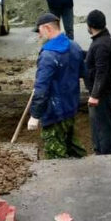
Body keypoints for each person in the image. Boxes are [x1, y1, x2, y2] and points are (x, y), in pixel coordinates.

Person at [28, 13, 87, 159]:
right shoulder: (74, 46)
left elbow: (42, 90)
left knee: (55, 158)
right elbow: (83, 73)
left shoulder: (48, 55)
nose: (39, 35)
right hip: (70, 107)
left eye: (40, 31)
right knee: (71, 145)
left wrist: (35, 116)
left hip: (54, 113)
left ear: (47, 28)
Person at [85, 10, 111, 155]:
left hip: (102, 94)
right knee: (97, 124)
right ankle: (99, 151)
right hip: (99, 92)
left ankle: (107, 155)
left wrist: (95, 95)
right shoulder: (103, 40)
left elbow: (101, 72)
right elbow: (96, 59)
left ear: (90, 26)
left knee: (103, 126)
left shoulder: (101, 44)